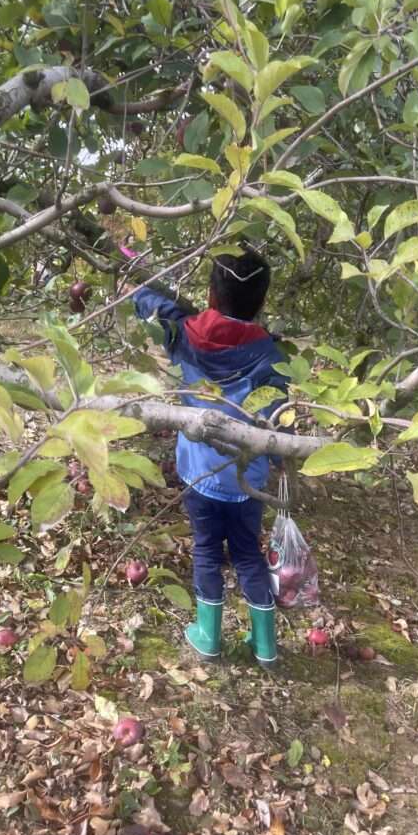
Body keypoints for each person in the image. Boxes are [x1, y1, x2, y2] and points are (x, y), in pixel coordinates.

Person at [132, 247, 288, 669]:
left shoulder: (185, 335)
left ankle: (208, 637)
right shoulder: (272, 356)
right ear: (262, 301)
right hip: (246, 478)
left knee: (206, 550)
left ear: (209, 294)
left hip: (199, 472)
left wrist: (143, 283)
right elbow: (281, 414)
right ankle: (266, 647)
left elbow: (147, 302)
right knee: (247, 553)